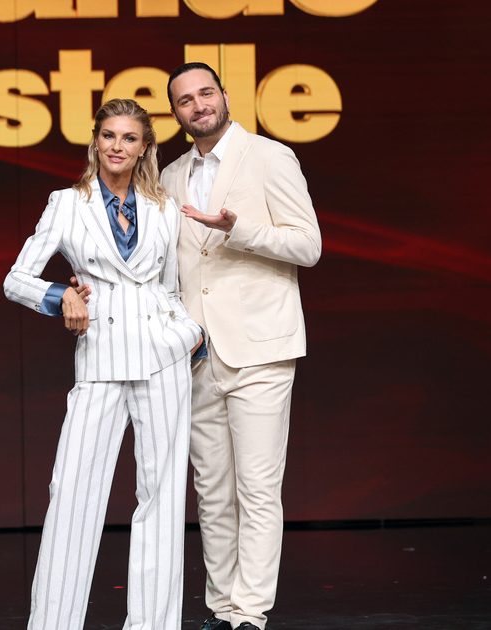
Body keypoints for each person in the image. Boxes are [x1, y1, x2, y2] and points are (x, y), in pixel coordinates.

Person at [3, 98, 204, 630]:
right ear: (95, 141)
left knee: (162, 500)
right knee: (72, 494)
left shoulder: (164, 207)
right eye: (109, 135)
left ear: (144, 148)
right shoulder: (67, 203)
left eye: (129, 138)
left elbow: (171, 286)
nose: (118, 146)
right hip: (100, 358)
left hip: (163, 358)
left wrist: (189, 333)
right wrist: (60, 296)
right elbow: (16, 279)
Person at [162, 62, 323, 630]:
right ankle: (222, 608)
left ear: (226, 96)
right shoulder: (171, 175)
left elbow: (308, 246)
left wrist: (239, 228)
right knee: (212, 493)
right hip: (198, 354)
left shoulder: (269, 157)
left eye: (206, 93)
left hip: (260, 346)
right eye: (185, 100)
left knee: (257, 489)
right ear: (176, 113)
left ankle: (249, 614)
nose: (199, 105)